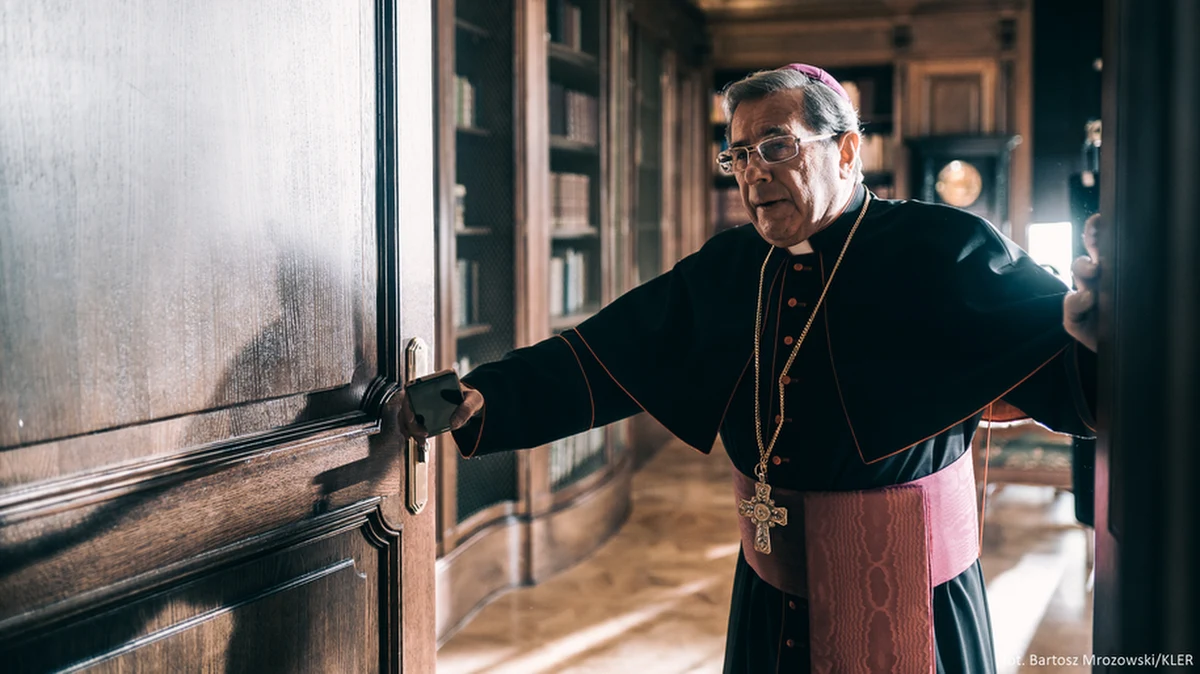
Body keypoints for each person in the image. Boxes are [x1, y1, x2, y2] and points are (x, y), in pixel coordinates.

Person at [397, 64, 1103, 674]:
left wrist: (1111, 334)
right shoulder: (731, 266)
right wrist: (489, 394)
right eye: (738, 155)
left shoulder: (946, 249)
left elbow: (1071, 359)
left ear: (848, 149)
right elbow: (612, 352)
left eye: (777, 145)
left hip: (906, 593)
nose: (754, 170)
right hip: (772, 588)